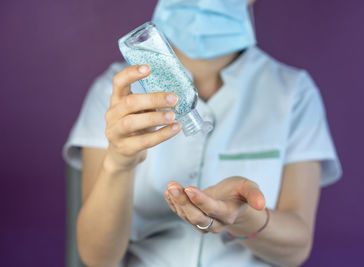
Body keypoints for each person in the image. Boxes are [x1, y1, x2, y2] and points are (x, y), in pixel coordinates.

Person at [63, 0, 342, 266]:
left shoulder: (292, 93)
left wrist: (243, 218)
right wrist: (118, 166)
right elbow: (97, 259)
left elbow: (297, 249)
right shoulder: (116, 94)